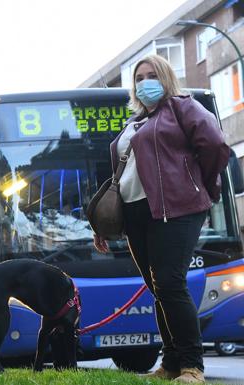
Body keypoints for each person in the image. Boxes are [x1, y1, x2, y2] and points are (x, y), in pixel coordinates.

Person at [93, 55, 229, 384]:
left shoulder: (183, 107)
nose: (145, 82)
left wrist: (200, 186)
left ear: (165, 77)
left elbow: (215, 145)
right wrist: (105, 224)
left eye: (152, 75)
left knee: (170, 283)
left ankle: (192, 367)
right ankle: (170, 364)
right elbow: (123, 175)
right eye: (139, 77)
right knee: (158, 289)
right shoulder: (135, 122)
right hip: (136, 211)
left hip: (177, 208)